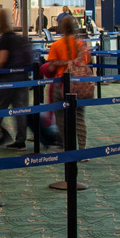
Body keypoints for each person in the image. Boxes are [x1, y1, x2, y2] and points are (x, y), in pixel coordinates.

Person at [0, 8, 34, 149]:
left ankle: (4, 135)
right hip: (23, 77)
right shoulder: (20, 39)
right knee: (20, 110)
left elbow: (1, 59)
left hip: (8, 79)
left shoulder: (5, 39)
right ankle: (20, 141)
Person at [43, 15, 91, 149]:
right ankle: (82, 149)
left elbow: (51, 66)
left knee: (61, 117)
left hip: (61, 84)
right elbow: (87, 62)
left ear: (62, 28)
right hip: (80, 84)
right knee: (80, 118)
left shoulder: (57, 45)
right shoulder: (82, 44)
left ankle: (67, 146)